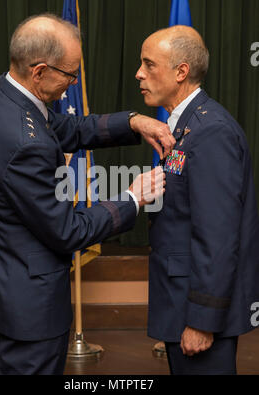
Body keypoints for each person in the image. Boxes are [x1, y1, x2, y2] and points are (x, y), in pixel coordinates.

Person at [0, 14, 174, 375]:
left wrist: (133, 121)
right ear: (40, 71)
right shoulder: (24, 142)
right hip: (30, 308)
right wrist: (132, 198)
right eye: (69, 75)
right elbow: (67, 232)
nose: (72, 84)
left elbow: (65, 127)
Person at [136, 25, 259, 375]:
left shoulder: (211, 131)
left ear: (181, 72)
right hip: (181, 300)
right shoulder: (184, 125)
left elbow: (218, 235)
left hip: (199, 312)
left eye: (148, 64)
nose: (139, 74)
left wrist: (202, 320)